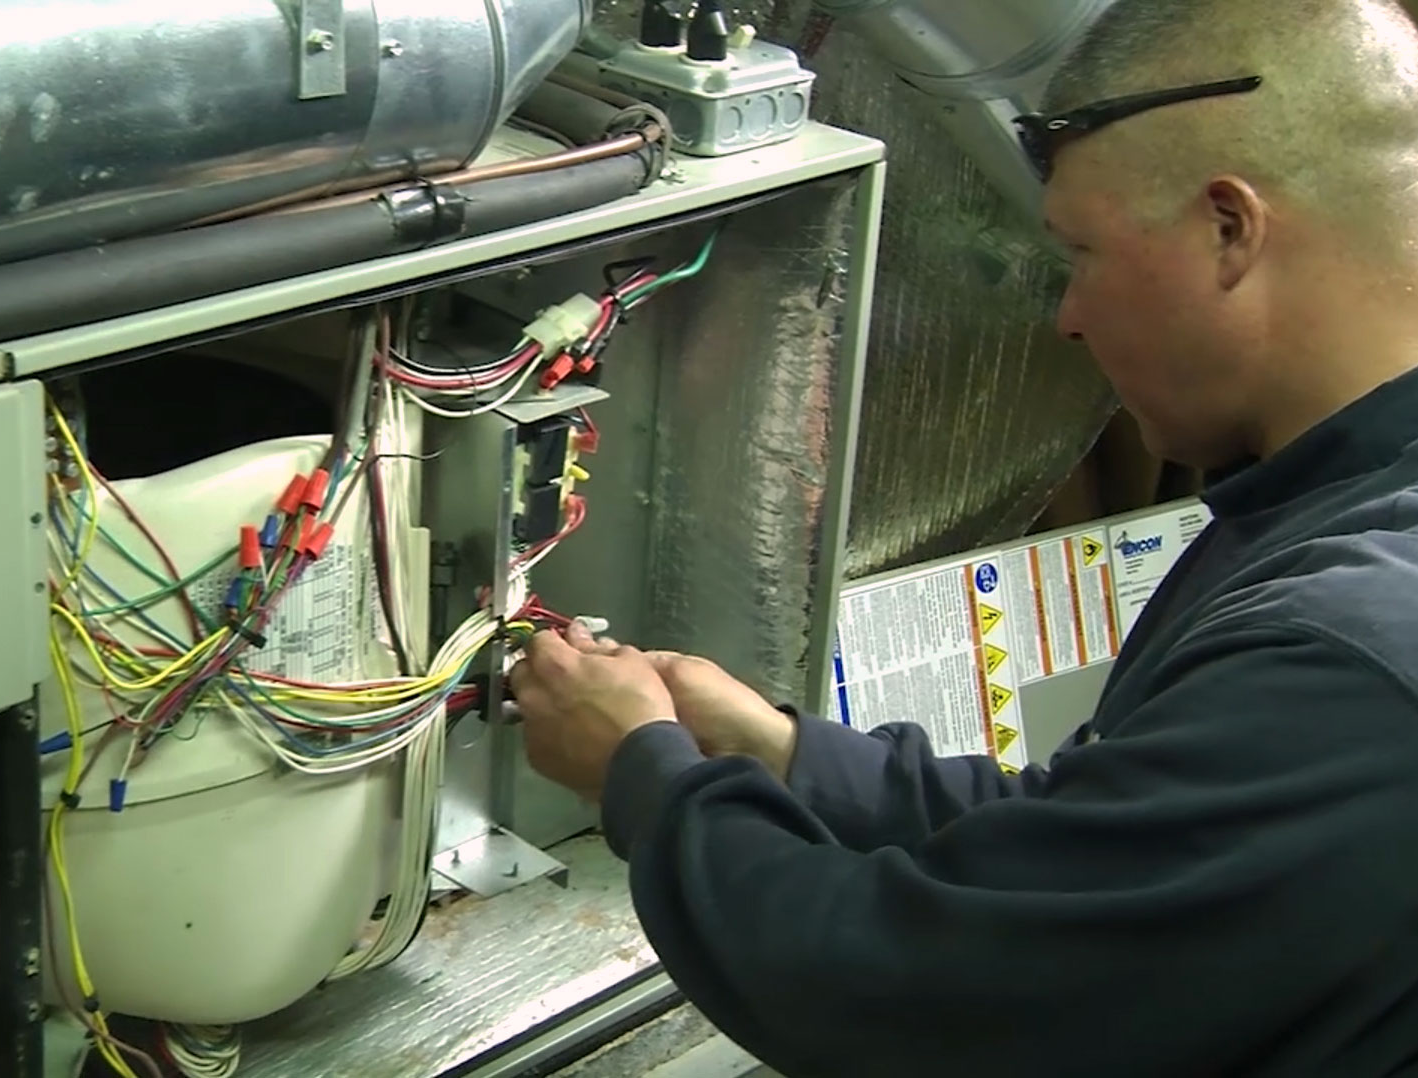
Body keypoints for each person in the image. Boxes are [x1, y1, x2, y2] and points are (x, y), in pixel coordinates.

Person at [509, 0, 1418, 1074]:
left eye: (1079, 253)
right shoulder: (1327, 508)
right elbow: (1094, 851)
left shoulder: (1348, 650)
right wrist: (781, 751)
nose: (1069, 316)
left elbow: (913, 989)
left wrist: (642, 775)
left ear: (1230, 228)